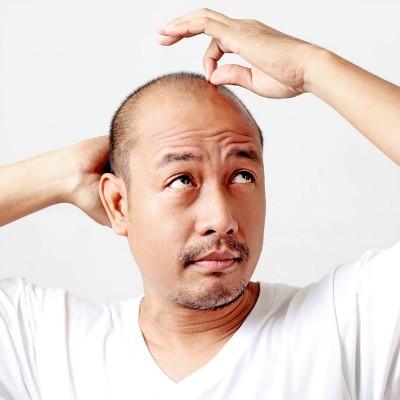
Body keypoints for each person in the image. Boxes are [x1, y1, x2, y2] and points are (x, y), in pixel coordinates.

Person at [0, 7, 399, 400]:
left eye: (242, 176)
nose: (221, 218)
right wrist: (64, 173)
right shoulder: (51, 348)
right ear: (119, 204)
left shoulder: (346, 327)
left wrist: (311, 67)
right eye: (182, 180)